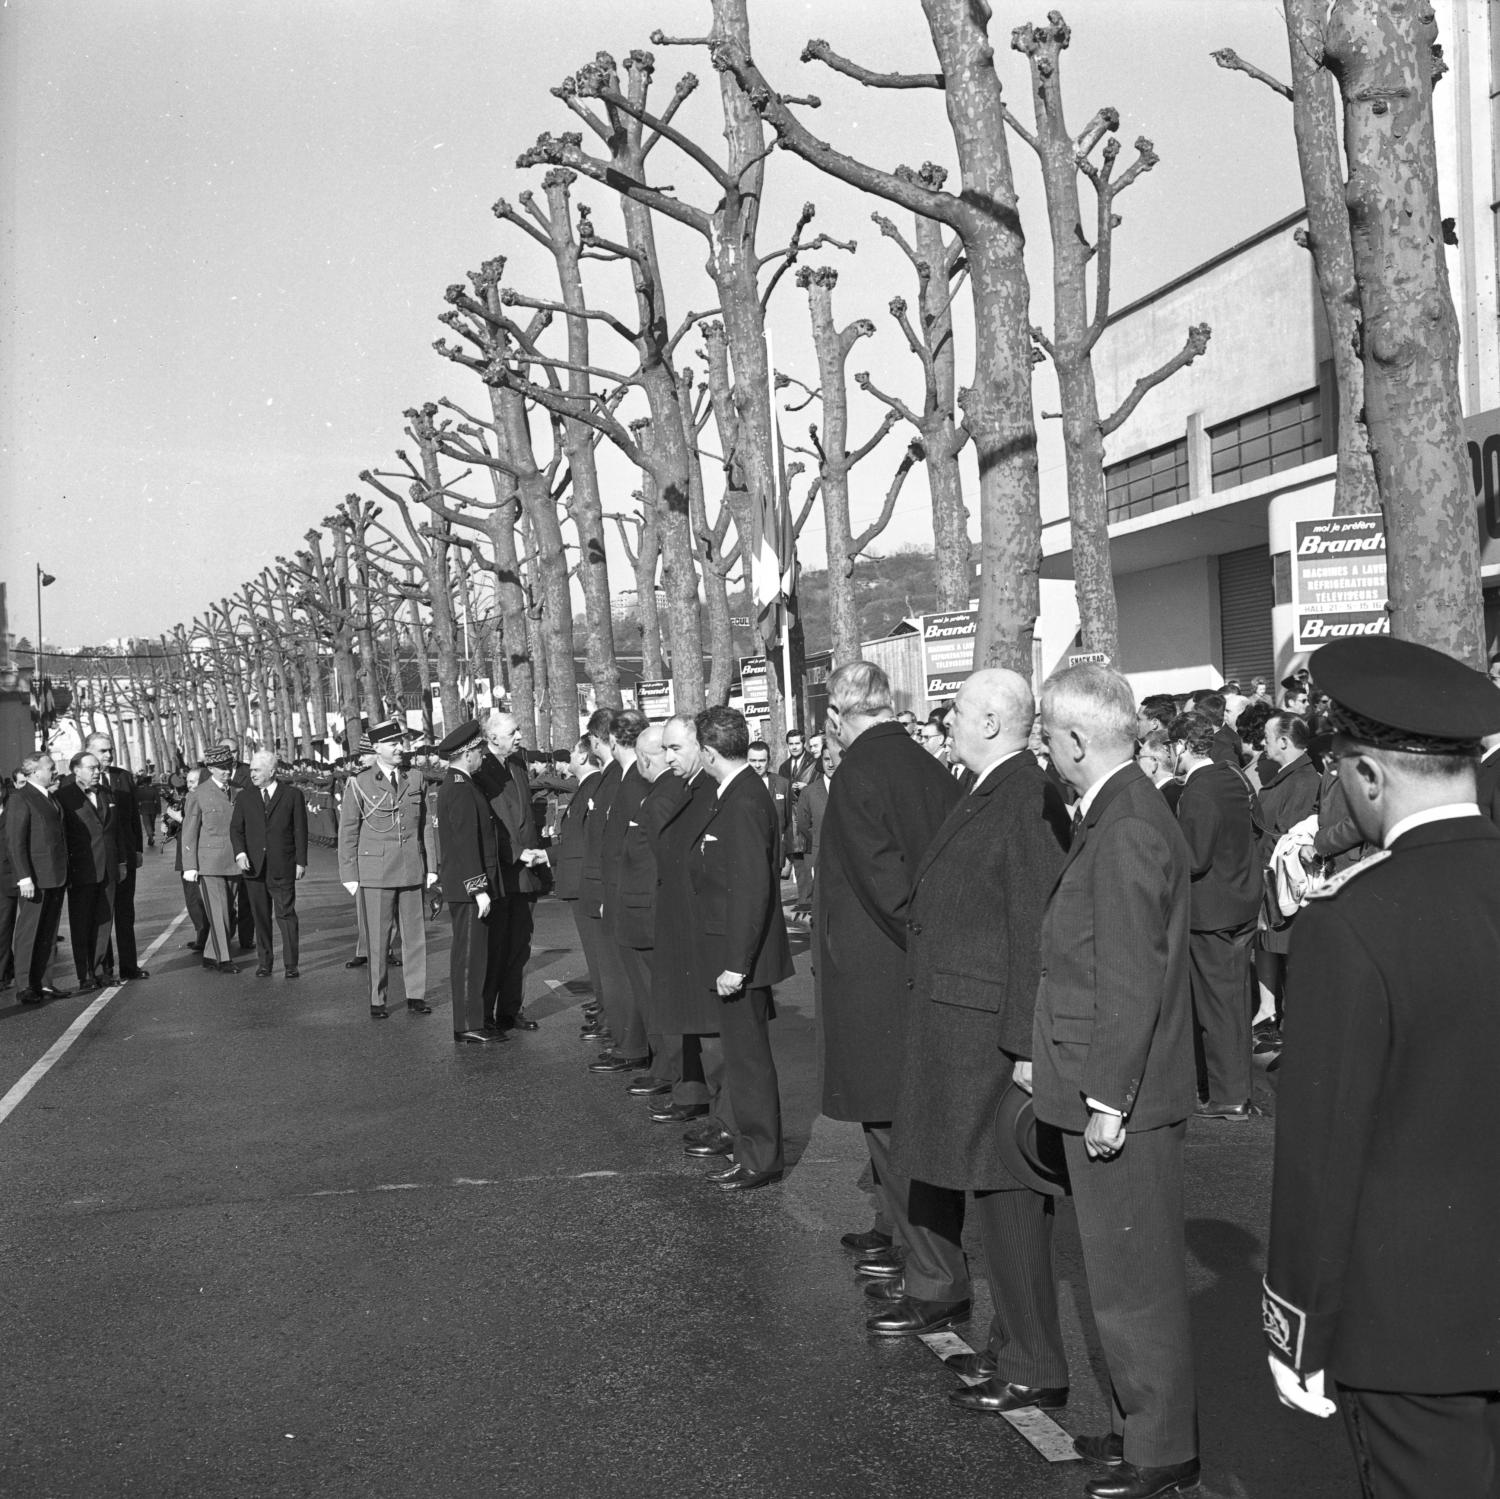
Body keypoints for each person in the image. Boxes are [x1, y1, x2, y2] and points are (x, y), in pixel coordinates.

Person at [1264, 636, 1500, 1499]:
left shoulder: (1352, 923)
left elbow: (1323, 1152)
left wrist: (1298, 1329)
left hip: (1414, 1328)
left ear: (1365, 774)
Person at [1034, 664, 1199, 1499]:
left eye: (1047, 735)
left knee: (1136, 1282)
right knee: (1114, 1273)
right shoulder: (1123, 810)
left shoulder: (1126, 822)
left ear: (1073, 741)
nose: (1045, 749)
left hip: (1122, 1092)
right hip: (1110, 1078)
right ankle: (1141, 1424)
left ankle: (1162, 1445)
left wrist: (1109, 1099)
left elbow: (1132, 973)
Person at [888, 668, 1072, 1398]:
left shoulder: (1025, 795)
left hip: (993, 1034)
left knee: (1011, 1199)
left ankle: (1035, 1365)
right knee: (997, 1206)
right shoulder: (992, 786)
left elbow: (1035, 927)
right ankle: (1010, 1344)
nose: (946, 722)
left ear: (994, 721)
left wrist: (1028, 1044)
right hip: (966, 1022)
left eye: (958, 711)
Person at [813, 661, 962, 1303]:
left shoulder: (858, 771)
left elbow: (885, 885)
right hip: (911, 962)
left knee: (892, 1121)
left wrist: (928, 945)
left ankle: (923, 1262)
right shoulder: (927, 765)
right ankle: (897, 1233)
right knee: (903, 1120)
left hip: (883, 970)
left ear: (839, 715)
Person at [689, 705, 794, 1192]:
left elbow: (751, 889)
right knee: (740, 1055)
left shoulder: (745, 799)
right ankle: (748, 1145)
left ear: (709, 753)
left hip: (740, 960)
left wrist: (736, 965)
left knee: (749, 1060)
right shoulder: (734, 792)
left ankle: (760, 1155)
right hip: (731, 950)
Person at [1167, 712, 1263, 1121]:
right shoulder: (1231, 777)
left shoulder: (1200, 790)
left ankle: (1229, 1096)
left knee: (1217, 1007)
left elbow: (1194, 857)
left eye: (1172, 748)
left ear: (1184, 747)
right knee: (1235, 1001)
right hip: (1240, 901)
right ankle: (1235, 1088)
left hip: (1212, 912)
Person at [605, 723, 693, 1102]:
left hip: (648, 914)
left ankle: (670, 1070)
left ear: (643, 759)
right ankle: (666, 1068)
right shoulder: (662, 792)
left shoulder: (661, 796)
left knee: (658, 1000)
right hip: (645, 911)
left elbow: (659, 860)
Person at [337, 719, 438, 1020]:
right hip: (375, 872)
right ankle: (377, 998)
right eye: (392, 743)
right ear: (377, 747)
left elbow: (425, 828)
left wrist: (431, 866)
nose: (399, 748)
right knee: (378, 940)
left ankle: (416, 995)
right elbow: (348, 832)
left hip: (409, 868)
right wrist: (349, 874)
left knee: (415, 937)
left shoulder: (416, 778)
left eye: (401, 742)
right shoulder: (359, 783)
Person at [651, 716, 722, 1137]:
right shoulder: (689, 789)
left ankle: (725, 1119)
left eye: (676, 748)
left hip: (700, 928)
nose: (668, 756)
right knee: (697, 1029)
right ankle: (713, 1110)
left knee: (715, 1041)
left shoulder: (709, 791)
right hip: (683, 925)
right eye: (665, 749)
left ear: (699, 746)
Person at [473, 709, 550, 1034]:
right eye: (513, 732)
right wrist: (518, 854)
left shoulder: (517, 764)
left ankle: (510, 1009)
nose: (520, 736)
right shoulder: (480, 769)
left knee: (520, 945)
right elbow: (490, 826)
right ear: (493, 738)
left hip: (526, 872)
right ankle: (485, 1014)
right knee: (496, 947)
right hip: (501, 872)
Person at [1251, 713, 1321, 1047]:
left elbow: (1286, 834)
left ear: (1283, 741)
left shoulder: (1305, 780)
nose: (1262, 743)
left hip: (1283, 879)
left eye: (1267, 737)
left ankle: (1295, 1024)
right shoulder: (1286, 775)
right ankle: (1270, 1013)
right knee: (1268, 942)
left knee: (1290, 950)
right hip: (1269, 875)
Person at [434, 722, 505, 1045]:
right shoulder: (460, 789)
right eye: (478, 752)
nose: (481, 757)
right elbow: (465, 843)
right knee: (469, 955)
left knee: (478, 955)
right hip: (469, 886)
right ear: (466, 754)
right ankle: (467, 1023)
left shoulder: (463, 784)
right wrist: (478, 889)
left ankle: (474, 1017)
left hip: (471, 883)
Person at [590, 709, 653, 1073]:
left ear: (613, 740)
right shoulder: (626, 778)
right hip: (619, 891)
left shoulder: (633, 781)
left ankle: (633, 1046)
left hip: (629, 895)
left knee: (630, 976)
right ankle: (631, 1043)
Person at [576, 708, 635, 1066]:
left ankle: (629, 1041)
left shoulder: (616, 780)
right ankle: (625, 1037)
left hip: (613, 891)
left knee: (617, 973)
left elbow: (612, 845)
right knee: (614, 973)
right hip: (605, 889)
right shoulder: (612, 777)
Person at [230, 748, 308, 979]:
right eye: (251, 769)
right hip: (253, 868)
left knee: (286, 915)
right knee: (260, 917)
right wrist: (240, 853)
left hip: (282, 865)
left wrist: (301, 862)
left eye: (256, 769)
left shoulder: (292, 795)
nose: (251, 774)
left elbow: (300, 830)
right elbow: (236, 829)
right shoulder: (244, 796)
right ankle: (265, 963)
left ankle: (291, 964)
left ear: (272, 771)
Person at [551, 735, 608, 1042]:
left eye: (573, 751)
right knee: (596, 958)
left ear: (585, 756)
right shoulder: (585, 786)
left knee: (600, 959)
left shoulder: (594, 786)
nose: (569, 757)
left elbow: (587, 842)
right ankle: (605, 1010)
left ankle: (609, 1017)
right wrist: (544, 856)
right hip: (579, 882)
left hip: (586, 883)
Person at [56, 751, 126, 993]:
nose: (97, 772)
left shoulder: (107, 793)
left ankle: (103, 971)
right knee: (82, 923)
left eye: (98, 768)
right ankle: (85, 974)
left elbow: (116, 832)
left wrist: (122, 862)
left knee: (105, 920)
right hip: (82, 870)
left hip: (108, 866)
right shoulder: (64, 797)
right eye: (91, 768)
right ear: (76, 770)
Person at [7, 753, 71, 1004]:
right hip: (35, 877)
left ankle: (44, 983)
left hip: (55, 875)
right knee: (28, 933)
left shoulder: (50, 797)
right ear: (34, 772)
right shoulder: (20, 798)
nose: (55, 771)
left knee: (48, 932)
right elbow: (15, 842)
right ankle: (25, 985)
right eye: (50, 767)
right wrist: (24, 878)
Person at [85, 732, 149, 980]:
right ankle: (105, 967)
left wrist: (138, 849)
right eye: (102, 751)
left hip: (125, 855)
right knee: (103, 914)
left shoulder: (122, 777)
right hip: (98, 860)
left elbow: (133, 816)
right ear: (88, 750)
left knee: (125, 912)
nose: (108, 755)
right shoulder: (77, 782)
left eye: (110, 750)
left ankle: (129, 966)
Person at [182, 745, 241, 974]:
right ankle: (224, 959)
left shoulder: (239, 791)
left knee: (228, 912)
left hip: (235, 861)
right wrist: (190, 865)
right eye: (221, 768)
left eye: (230, 766)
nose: (227, 771)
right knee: (220, 912)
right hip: (210, 863)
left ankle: (209, 954)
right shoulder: (198, 794)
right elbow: (190, 830)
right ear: (210, 768)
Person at [167, 767, 211, 952]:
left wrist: (179, 818)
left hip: (200, 856)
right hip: (185, 855)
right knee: (192, 899)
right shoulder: (187, 799)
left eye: (194, 781)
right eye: (189, 781)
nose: (190, 785)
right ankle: (201, 933)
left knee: (199, 899)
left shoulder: (206, 799)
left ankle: (205, 936)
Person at [746, 741, 793, 865]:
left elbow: (788, 822)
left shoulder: (782, 784)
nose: (757, 765)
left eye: (762, 761)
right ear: (747, 761)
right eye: (753, 760)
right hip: (749, 855)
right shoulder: (739, 786)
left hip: (775, 855)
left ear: (769, 761)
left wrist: (787, 854)